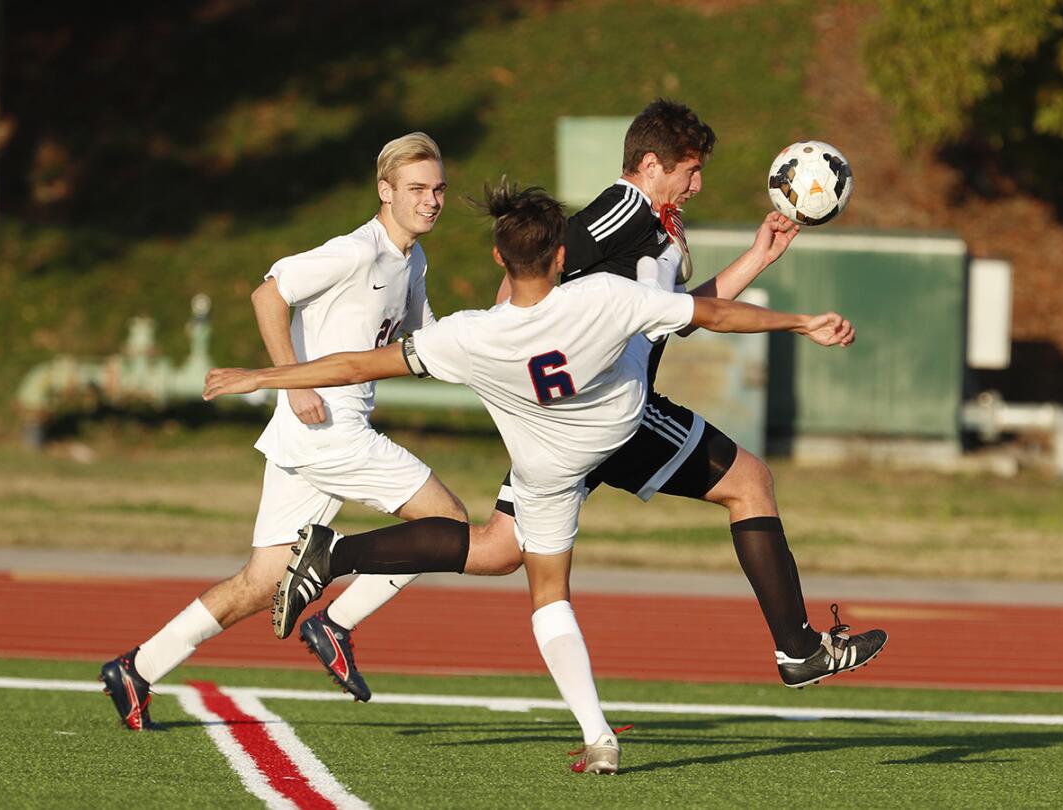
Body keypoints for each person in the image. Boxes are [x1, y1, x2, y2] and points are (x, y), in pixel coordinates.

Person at [202, 179, 868, 775]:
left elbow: (353, 365)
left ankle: (595, 733)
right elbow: (713, 316)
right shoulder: (604, 296)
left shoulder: (468, 335)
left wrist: (263, 375)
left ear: (499, 260)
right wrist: (801, 321)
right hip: (615, 434)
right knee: (739, 485)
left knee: (530, 580)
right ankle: (785, 652)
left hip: (544, 468)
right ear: (559, 256)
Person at [311, 99, 890, 698]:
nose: (698, 184)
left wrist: (758, 257)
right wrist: (514, 346)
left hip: (570, 415)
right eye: (689, 171)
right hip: (614, 408)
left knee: (497, 549)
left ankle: (332, 567)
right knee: (750, 482)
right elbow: (529, 266)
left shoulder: (659, 223)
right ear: (649, 163)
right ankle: (798, 649)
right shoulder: (624, 209)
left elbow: (681, 317)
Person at [98, 132, 474, 730]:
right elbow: (267, 295)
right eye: (417, 189)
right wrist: (292, 383)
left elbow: (427, 340)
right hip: (328, 431)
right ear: (385, 191)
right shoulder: (353, 252)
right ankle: (336, 622)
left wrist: (507, 337)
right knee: (449, 527)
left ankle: (137, 668)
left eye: (438, 190)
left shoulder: (413, 261)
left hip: (313, 439)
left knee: (259, 583)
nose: (430, 201)